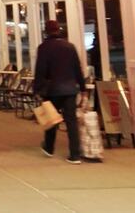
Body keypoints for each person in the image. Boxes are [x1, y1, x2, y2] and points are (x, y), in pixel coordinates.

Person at [33, 20, 85, 164]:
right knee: (71, 122)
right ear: (58, 30)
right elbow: (77, 68)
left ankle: (49, 148)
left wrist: (37, 89)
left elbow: (40, 70)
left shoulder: (43, 48)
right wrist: (83, 88)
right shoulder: (70, 47)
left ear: (46, 31)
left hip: (52, 90)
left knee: (52, 119)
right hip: (69, 89)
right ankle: (75, 155)